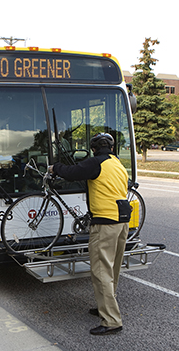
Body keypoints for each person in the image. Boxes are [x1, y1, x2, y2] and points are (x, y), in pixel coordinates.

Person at [49, 133, 131, 336]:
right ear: (112, 148)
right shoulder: (116, 162)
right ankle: (106, 306)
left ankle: (111, 320)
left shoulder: (96, 163)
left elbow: (71, 172)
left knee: (101, 270)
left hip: (105, 223)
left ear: (93, 148)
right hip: (122, 220)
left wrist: (54, 167)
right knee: (112, 268)